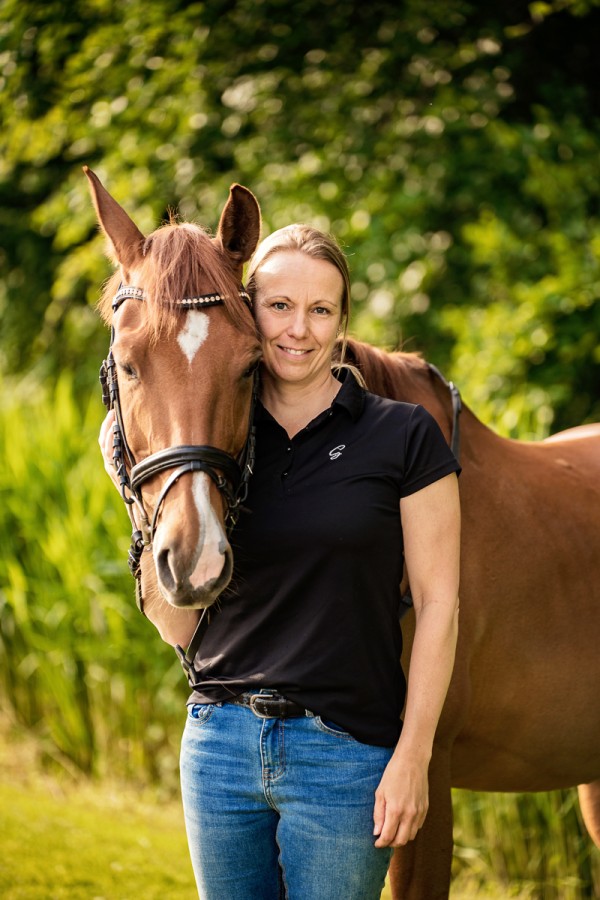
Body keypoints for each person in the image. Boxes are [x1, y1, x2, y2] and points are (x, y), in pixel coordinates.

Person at [100, 224, 461, 900]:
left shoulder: (402, 435)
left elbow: (440, 604)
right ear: (247, 308)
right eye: (279, 306)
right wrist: (138, 495)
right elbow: (179, 625)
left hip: (344, 755)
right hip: (220, 743)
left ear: (342, 320)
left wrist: (413, 757)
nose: (299, 330)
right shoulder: (219, 441)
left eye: (321, 310)